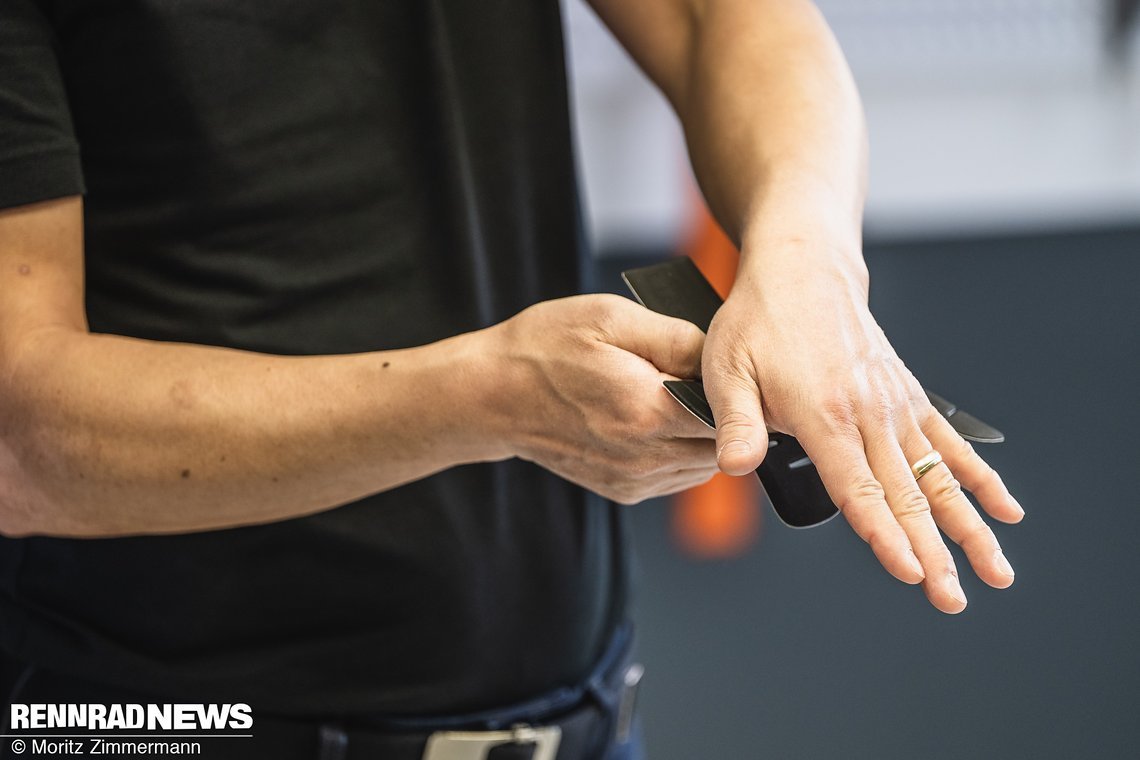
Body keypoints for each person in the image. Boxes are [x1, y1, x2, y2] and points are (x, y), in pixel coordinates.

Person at [0, 0, 1024, 758]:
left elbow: (724, 16)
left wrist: (808, 258)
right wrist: (487, 396)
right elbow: (20, 439)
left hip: (574, 713)